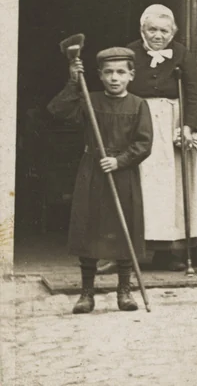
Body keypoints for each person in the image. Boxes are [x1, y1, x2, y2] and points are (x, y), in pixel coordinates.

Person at [48, 47, 153, 313]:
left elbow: (144, 143)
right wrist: (73, 82)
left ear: (131, 74)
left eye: (120, 72)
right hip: (92, 170)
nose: (114, 78)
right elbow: (57, 110)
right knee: (89, 227)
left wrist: (120, 161)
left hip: (123, 173)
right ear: (99, 75)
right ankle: (87, 293)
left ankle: (124, 292)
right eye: (108, 72)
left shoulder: (139, 104)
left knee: (124, 227)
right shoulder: (89, 99)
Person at [126, 4, 197, 271]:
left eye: (163, 30)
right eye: (152, 30)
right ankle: (124, 254)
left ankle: (169, 253)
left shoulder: (182, 53)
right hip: (139, 119)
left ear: (173, 33)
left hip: (172, 122)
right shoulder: (130, 52)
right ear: (142, 30)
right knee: (139, 186)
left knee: (171, 189)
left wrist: (189, 127)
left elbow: (194, 91)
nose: (157, 35)